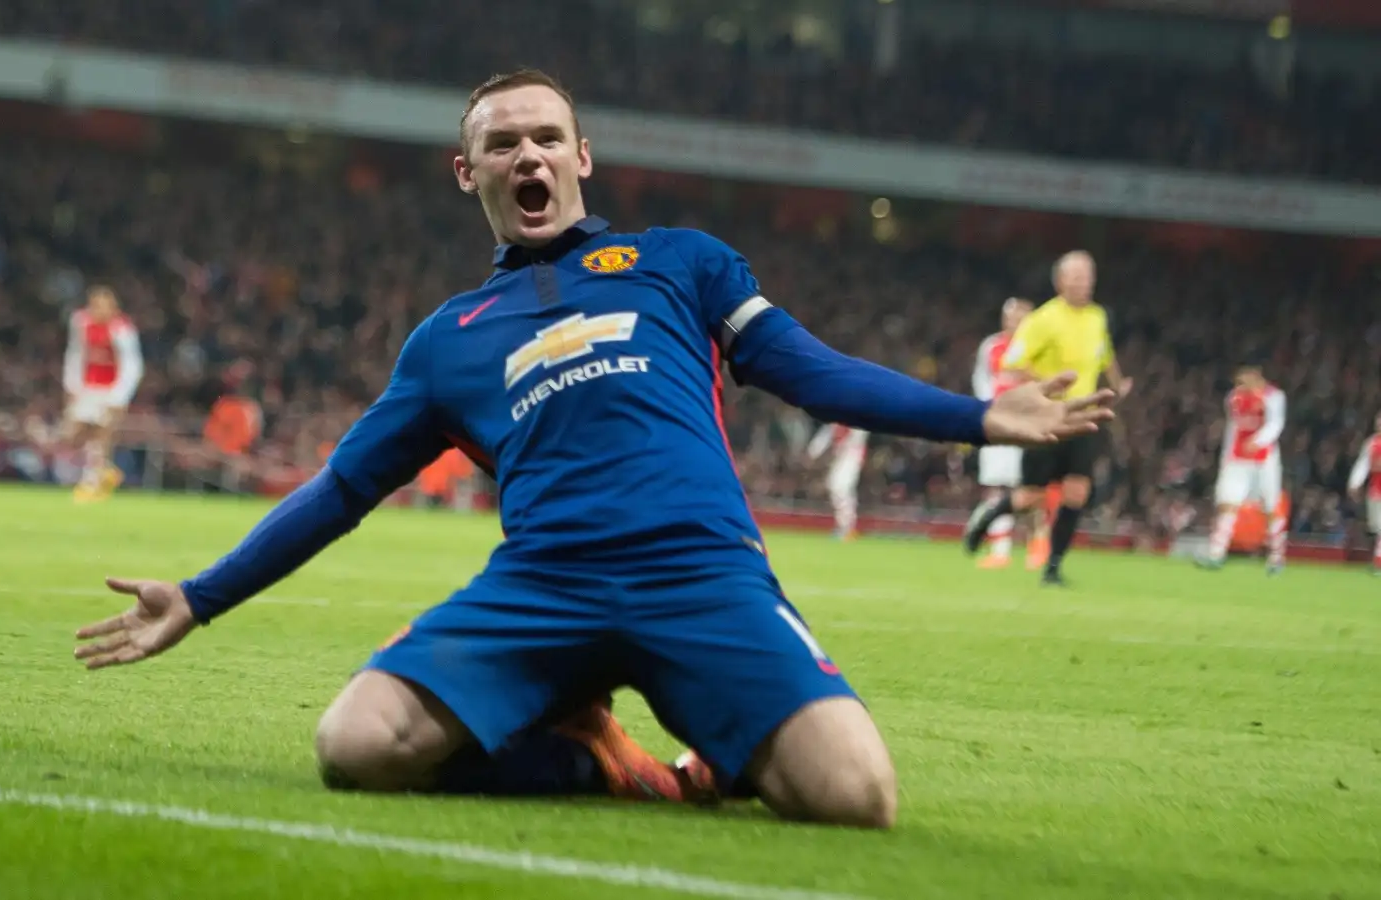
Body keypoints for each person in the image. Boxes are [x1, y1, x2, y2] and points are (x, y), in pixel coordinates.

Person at [72, 69, 1115, 829]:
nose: (525, 154)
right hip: (544, 582)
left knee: (857, 798)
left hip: (701, 573)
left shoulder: (681, 265)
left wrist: (981, 417)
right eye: (501, 142)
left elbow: (810, 371)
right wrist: (199, 597)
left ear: (579, 156)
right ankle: (591, 760)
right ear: (466, 170)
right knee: (354, 747)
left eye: (544, 136)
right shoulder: (447, 340)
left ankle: (719, 737)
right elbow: (343, 489)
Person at [961, 251, 1131, 586]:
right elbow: (1013, 361)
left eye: (1089, 276)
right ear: (1060, 281)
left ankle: (1052, 567)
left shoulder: (1097, 317)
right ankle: (990, 516)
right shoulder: (1044, 319)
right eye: (1078, 276)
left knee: (1077, 492)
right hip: (1047, 418)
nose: (1085, 283)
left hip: (1083, 416)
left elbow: (1104, 354)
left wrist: (1117, 383)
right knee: (1030, 497)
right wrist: (1045, 384)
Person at [1196, 365, 1287, 574]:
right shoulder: (1233, 398)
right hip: (1237, 459)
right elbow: (1233, 428)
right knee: (1228, 504)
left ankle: (1276, 557)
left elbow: (1276, 424)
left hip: (1264, 460)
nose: (1240, 385)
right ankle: (1216, 554)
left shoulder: (1273, 396)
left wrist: (1258, 441)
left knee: (1270, 507)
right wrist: (1226, 458)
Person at [61, 285, 144, 504]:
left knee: (102, 435)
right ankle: (106, 471)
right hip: (87, 387)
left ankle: (91, 482)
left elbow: (132, 364)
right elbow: (75, 353)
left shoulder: (122, 329)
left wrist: (120, 396)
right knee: (72, 434)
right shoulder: (81, 322)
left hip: (110, 389)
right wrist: (72, 385)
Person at [968, 298, 1032, 569]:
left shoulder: (1035, 347)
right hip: (998, 422)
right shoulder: (991, 346)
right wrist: (987, 408)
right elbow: (981, 379)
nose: (1013, 323)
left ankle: (1037, 545)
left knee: (1031, 488)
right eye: (1009, 317)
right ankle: (1000, 549)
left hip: (1028, 422)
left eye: (1019, 318)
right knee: (997, 485)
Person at [805, 424, 868, 540]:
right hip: (840, 455)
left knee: (841, 488)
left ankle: (847, 527)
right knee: (835, 487)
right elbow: (827, 433)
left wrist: (814, 451)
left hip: (852, 454)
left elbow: (855, 436)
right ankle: (844, 526)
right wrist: (813, 451)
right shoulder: (836, 417)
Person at [1348, 413, 1381, 575]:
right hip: (1375, 491)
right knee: (1375, 526)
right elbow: (1363, 464)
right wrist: (1355, 483)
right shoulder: (1372, 443)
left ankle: (1378, 562)